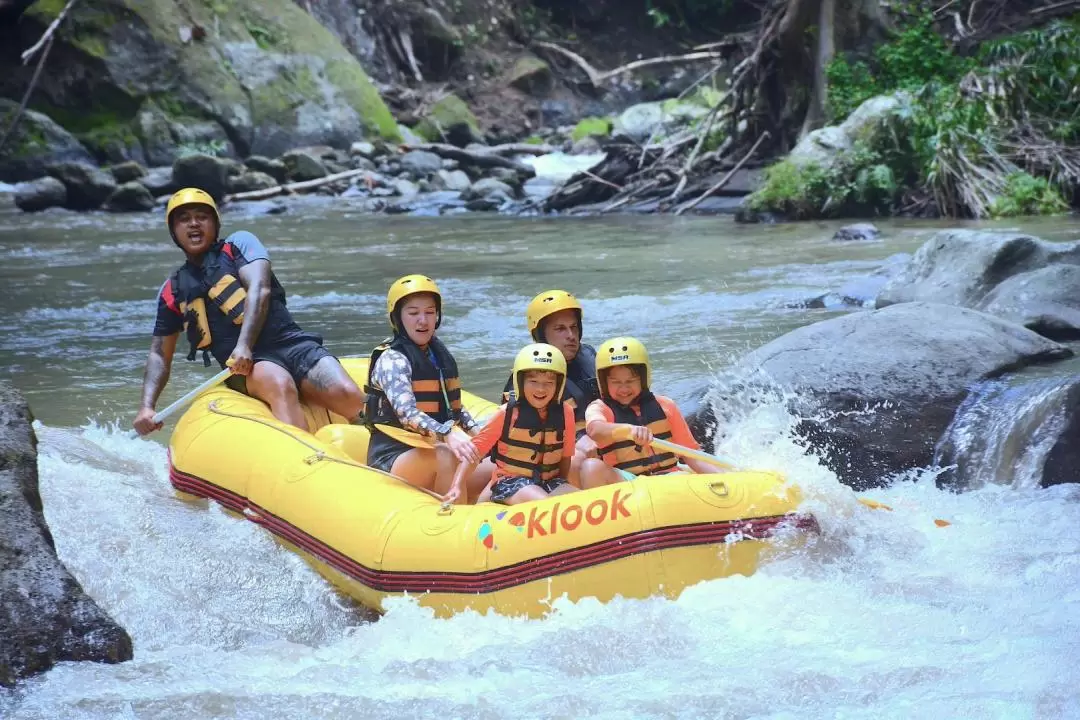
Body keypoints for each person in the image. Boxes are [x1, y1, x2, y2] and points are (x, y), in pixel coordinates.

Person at [133, 188, 365, 435]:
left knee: (347, 393)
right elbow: (159, 354)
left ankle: (385, 449)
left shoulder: (239, 245)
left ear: (215, 223)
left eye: (202, 216)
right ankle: (307, 461)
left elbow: (260, 289)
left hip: (291, 343)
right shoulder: (173, 290)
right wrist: (147, 407)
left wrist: (244, 343)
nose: (194, 224)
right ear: (174, 232)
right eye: (184, 219)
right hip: (245, 367)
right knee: (280, 383)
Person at [364, 274, 482, 496]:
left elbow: (452, 406)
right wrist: (447, 433)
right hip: (394, 455)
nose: (423, 320)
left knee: (493, 460)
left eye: (429, 312)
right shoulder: (393, 360)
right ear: (397, 317)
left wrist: (478, 434)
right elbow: (407, 413)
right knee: (445, 453)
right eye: (413, 313)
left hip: (434, 445)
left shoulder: (437, 355)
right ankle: (452, 521)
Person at [579, 336, 726, 486]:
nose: (624, 388)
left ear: (643, 379)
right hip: (628, 483)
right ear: (604, 382)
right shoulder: (600, 408)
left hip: (671, 478)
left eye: (631, 381)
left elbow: (691, 455)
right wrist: (626, 430)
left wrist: (726, 479)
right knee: (591, 467)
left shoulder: (666, 406)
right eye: (615, 382)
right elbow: (594, 429)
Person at [444, 343, 578, 506]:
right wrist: (456, 485)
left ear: (559, 385)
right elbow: (475, 453)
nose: (541, 389)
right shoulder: (506, 413)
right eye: (533, 381)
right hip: (509, 483)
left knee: (578, 502)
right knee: (546, 504)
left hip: (549, 482)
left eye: (549, 382)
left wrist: (562, 483)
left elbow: (565, 457)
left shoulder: (566, 413)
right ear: (520, 381)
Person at [504, 290, 601, 462]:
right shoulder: (525, 375)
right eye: (560, 329)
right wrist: (577, 439)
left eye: (574, 327)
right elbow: (521, 435)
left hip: (600, 437)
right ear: (541, 335)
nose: (571, 335)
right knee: (578, 458)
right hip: (565, 452)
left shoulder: (590, 357)